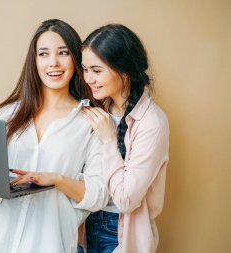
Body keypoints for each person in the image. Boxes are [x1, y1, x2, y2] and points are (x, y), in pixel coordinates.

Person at [0, 19, 109, 253]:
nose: (53, 62)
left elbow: (98, 195)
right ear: (34, 61)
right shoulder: (6, 114)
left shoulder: (89, 122)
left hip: (49, 245)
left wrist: (57, 179)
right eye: (43, 54)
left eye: (63, 53)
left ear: (75, 59)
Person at [80, 24, 169, 253]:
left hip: (120, 233)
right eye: (85, 69)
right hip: (85, 222)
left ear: (124, 71)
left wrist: (109, 140)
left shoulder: (152, 123)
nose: (88, 78)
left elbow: (126, 200)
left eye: (96, 71)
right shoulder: (99, 109)